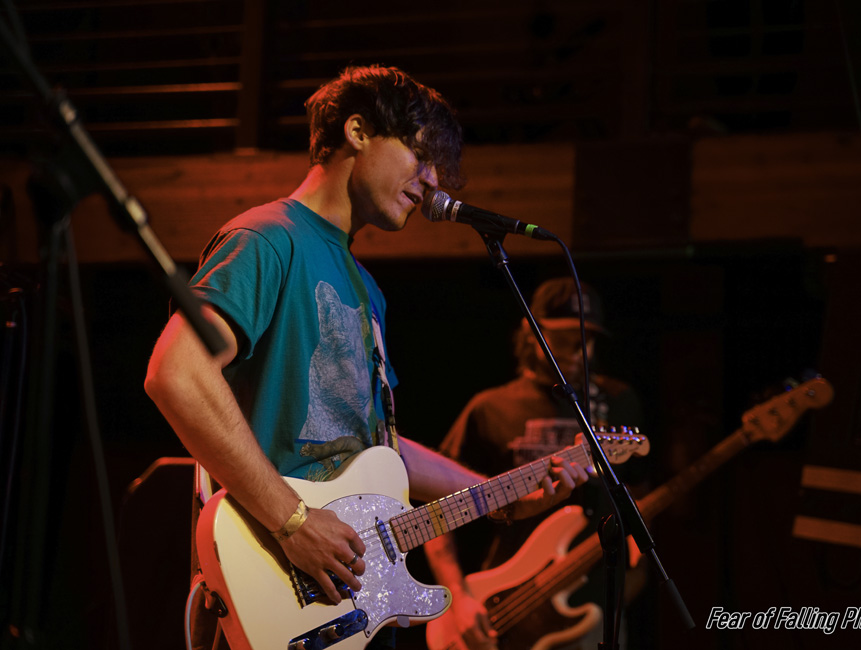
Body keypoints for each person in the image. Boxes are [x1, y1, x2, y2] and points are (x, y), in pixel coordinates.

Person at [143, 65, 590, 650]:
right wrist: (293, 520)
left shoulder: (366, 288)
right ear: (357, 130)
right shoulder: (268, 239)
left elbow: (378, 449)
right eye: (420, 154)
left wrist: (503, 495)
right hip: (270, 579)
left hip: (341, 600)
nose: (432, 182)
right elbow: (175, 373)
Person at [423, 278, 651, 650]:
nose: (579, 347)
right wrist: (457, 597)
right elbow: (437, 511)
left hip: (589, 610)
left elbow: (641, 500)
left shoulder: (618, 403)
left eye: (588, 336)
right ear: (532, 332)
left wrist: (633, 580)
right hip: (502, 609)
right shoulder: (490, 408)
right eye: (564, 336)